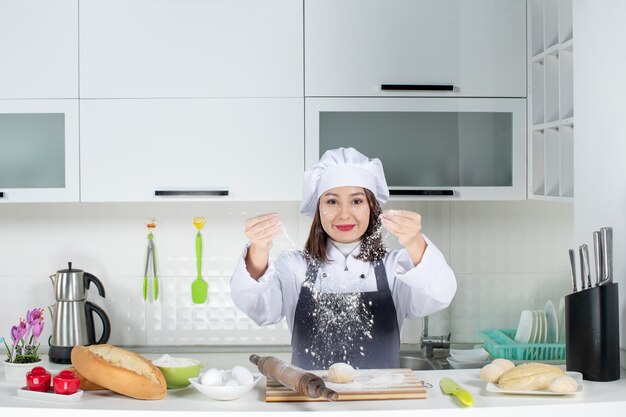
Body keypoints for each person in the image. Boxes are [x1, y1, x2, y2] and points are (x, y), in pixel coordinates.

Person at [230, 147, 456, 370]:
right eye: (332, 201)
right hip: (311, 400)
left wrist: (414, 242)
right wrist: (259, 249)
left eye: (357, 201)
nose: (344, 214)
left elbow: (441, 293)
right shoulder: (294, 267)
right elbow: (259, 308)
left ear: (372, 208)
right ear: (318, 209)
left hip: (382, 400)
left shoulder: (395, 267)